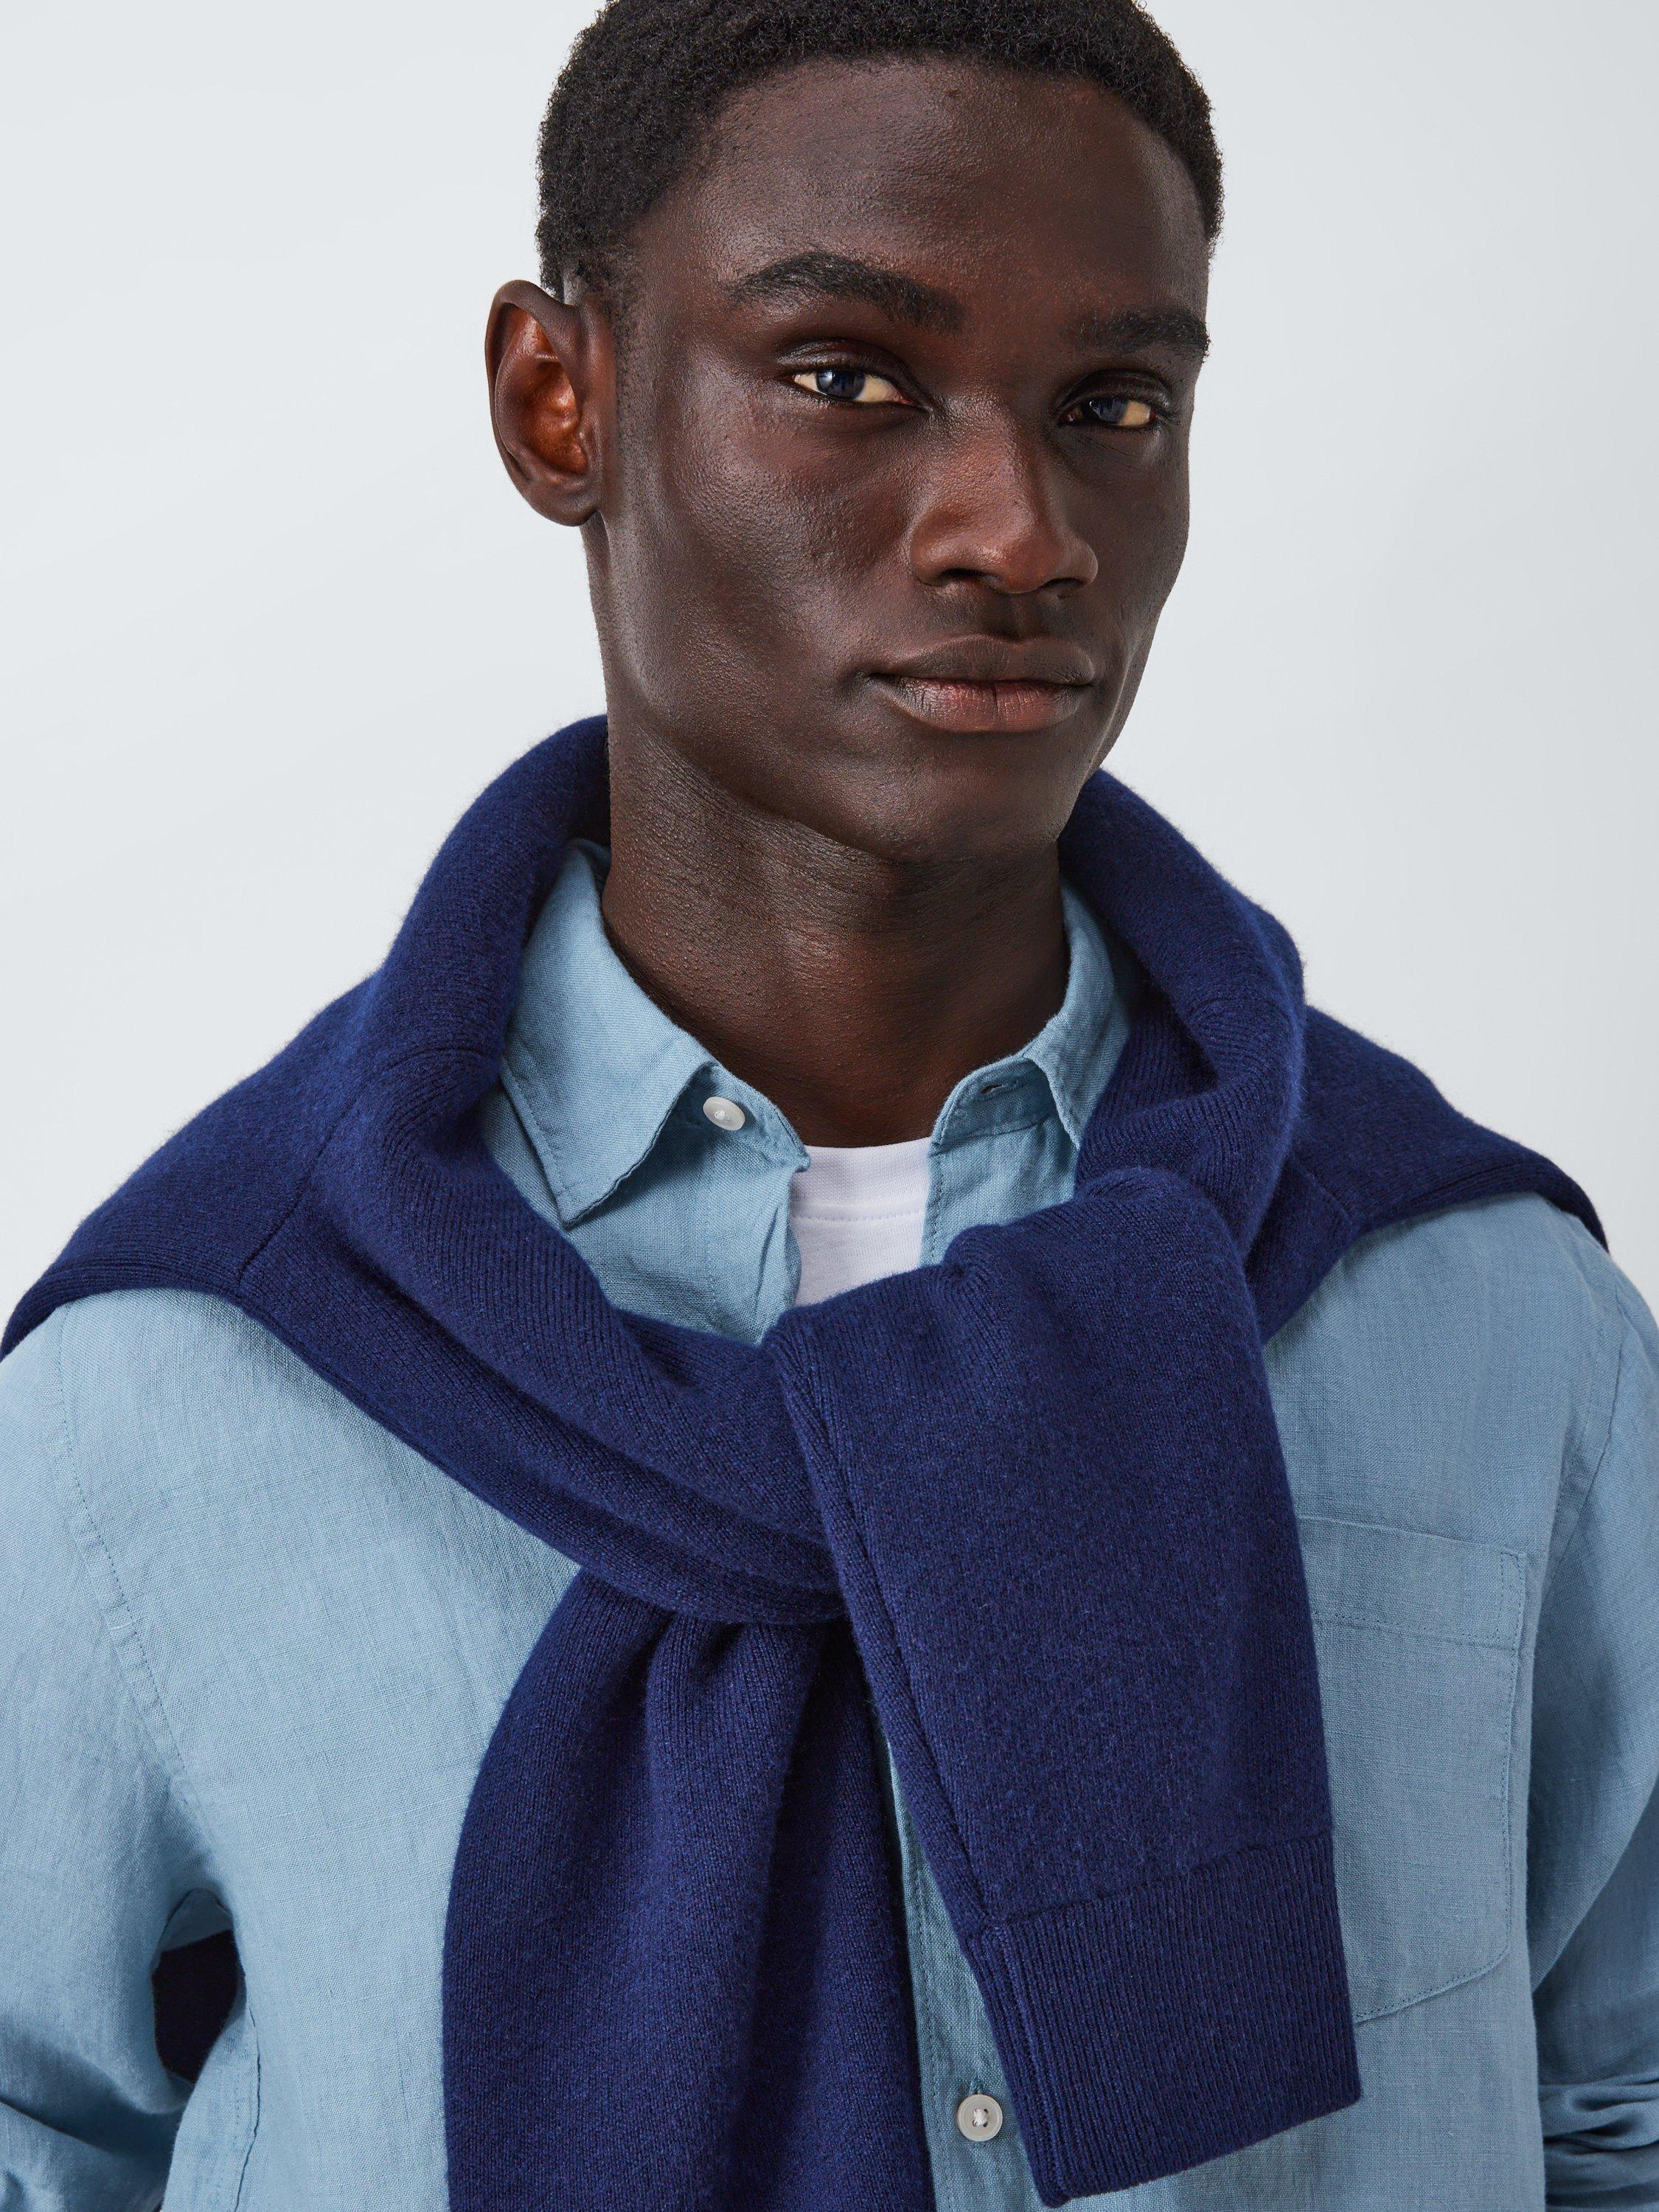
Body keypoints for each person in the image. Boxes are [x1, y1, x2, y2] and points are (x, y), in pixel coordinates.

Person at [2, 1, 1655, 2207]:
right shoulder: (174, 1384)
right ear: (560, 398)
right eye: (848, 378)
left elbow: (1627, 2107)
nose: (1019, 529)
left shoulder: (1488, 1324)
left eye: (1113, 407)